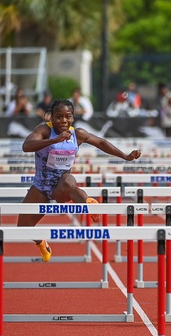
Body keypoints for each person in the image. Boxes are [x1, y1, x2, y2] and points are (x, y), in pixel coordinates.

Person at [19, 99, 141, 261]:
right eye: (59, 117)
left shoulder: (78, 134)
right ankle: (41, 242)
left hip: (62, 182)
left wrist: (125, 156)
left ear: (73, 118)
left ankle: (88, 203)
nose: (63, 120)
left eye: (68, 117)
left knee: (69, 182)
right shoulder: (44, 130)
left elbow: (101, 142)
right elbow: (26, 146)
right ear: (52, 117)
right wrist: (55, 140)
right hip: (41, 185)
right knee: (22, 227)